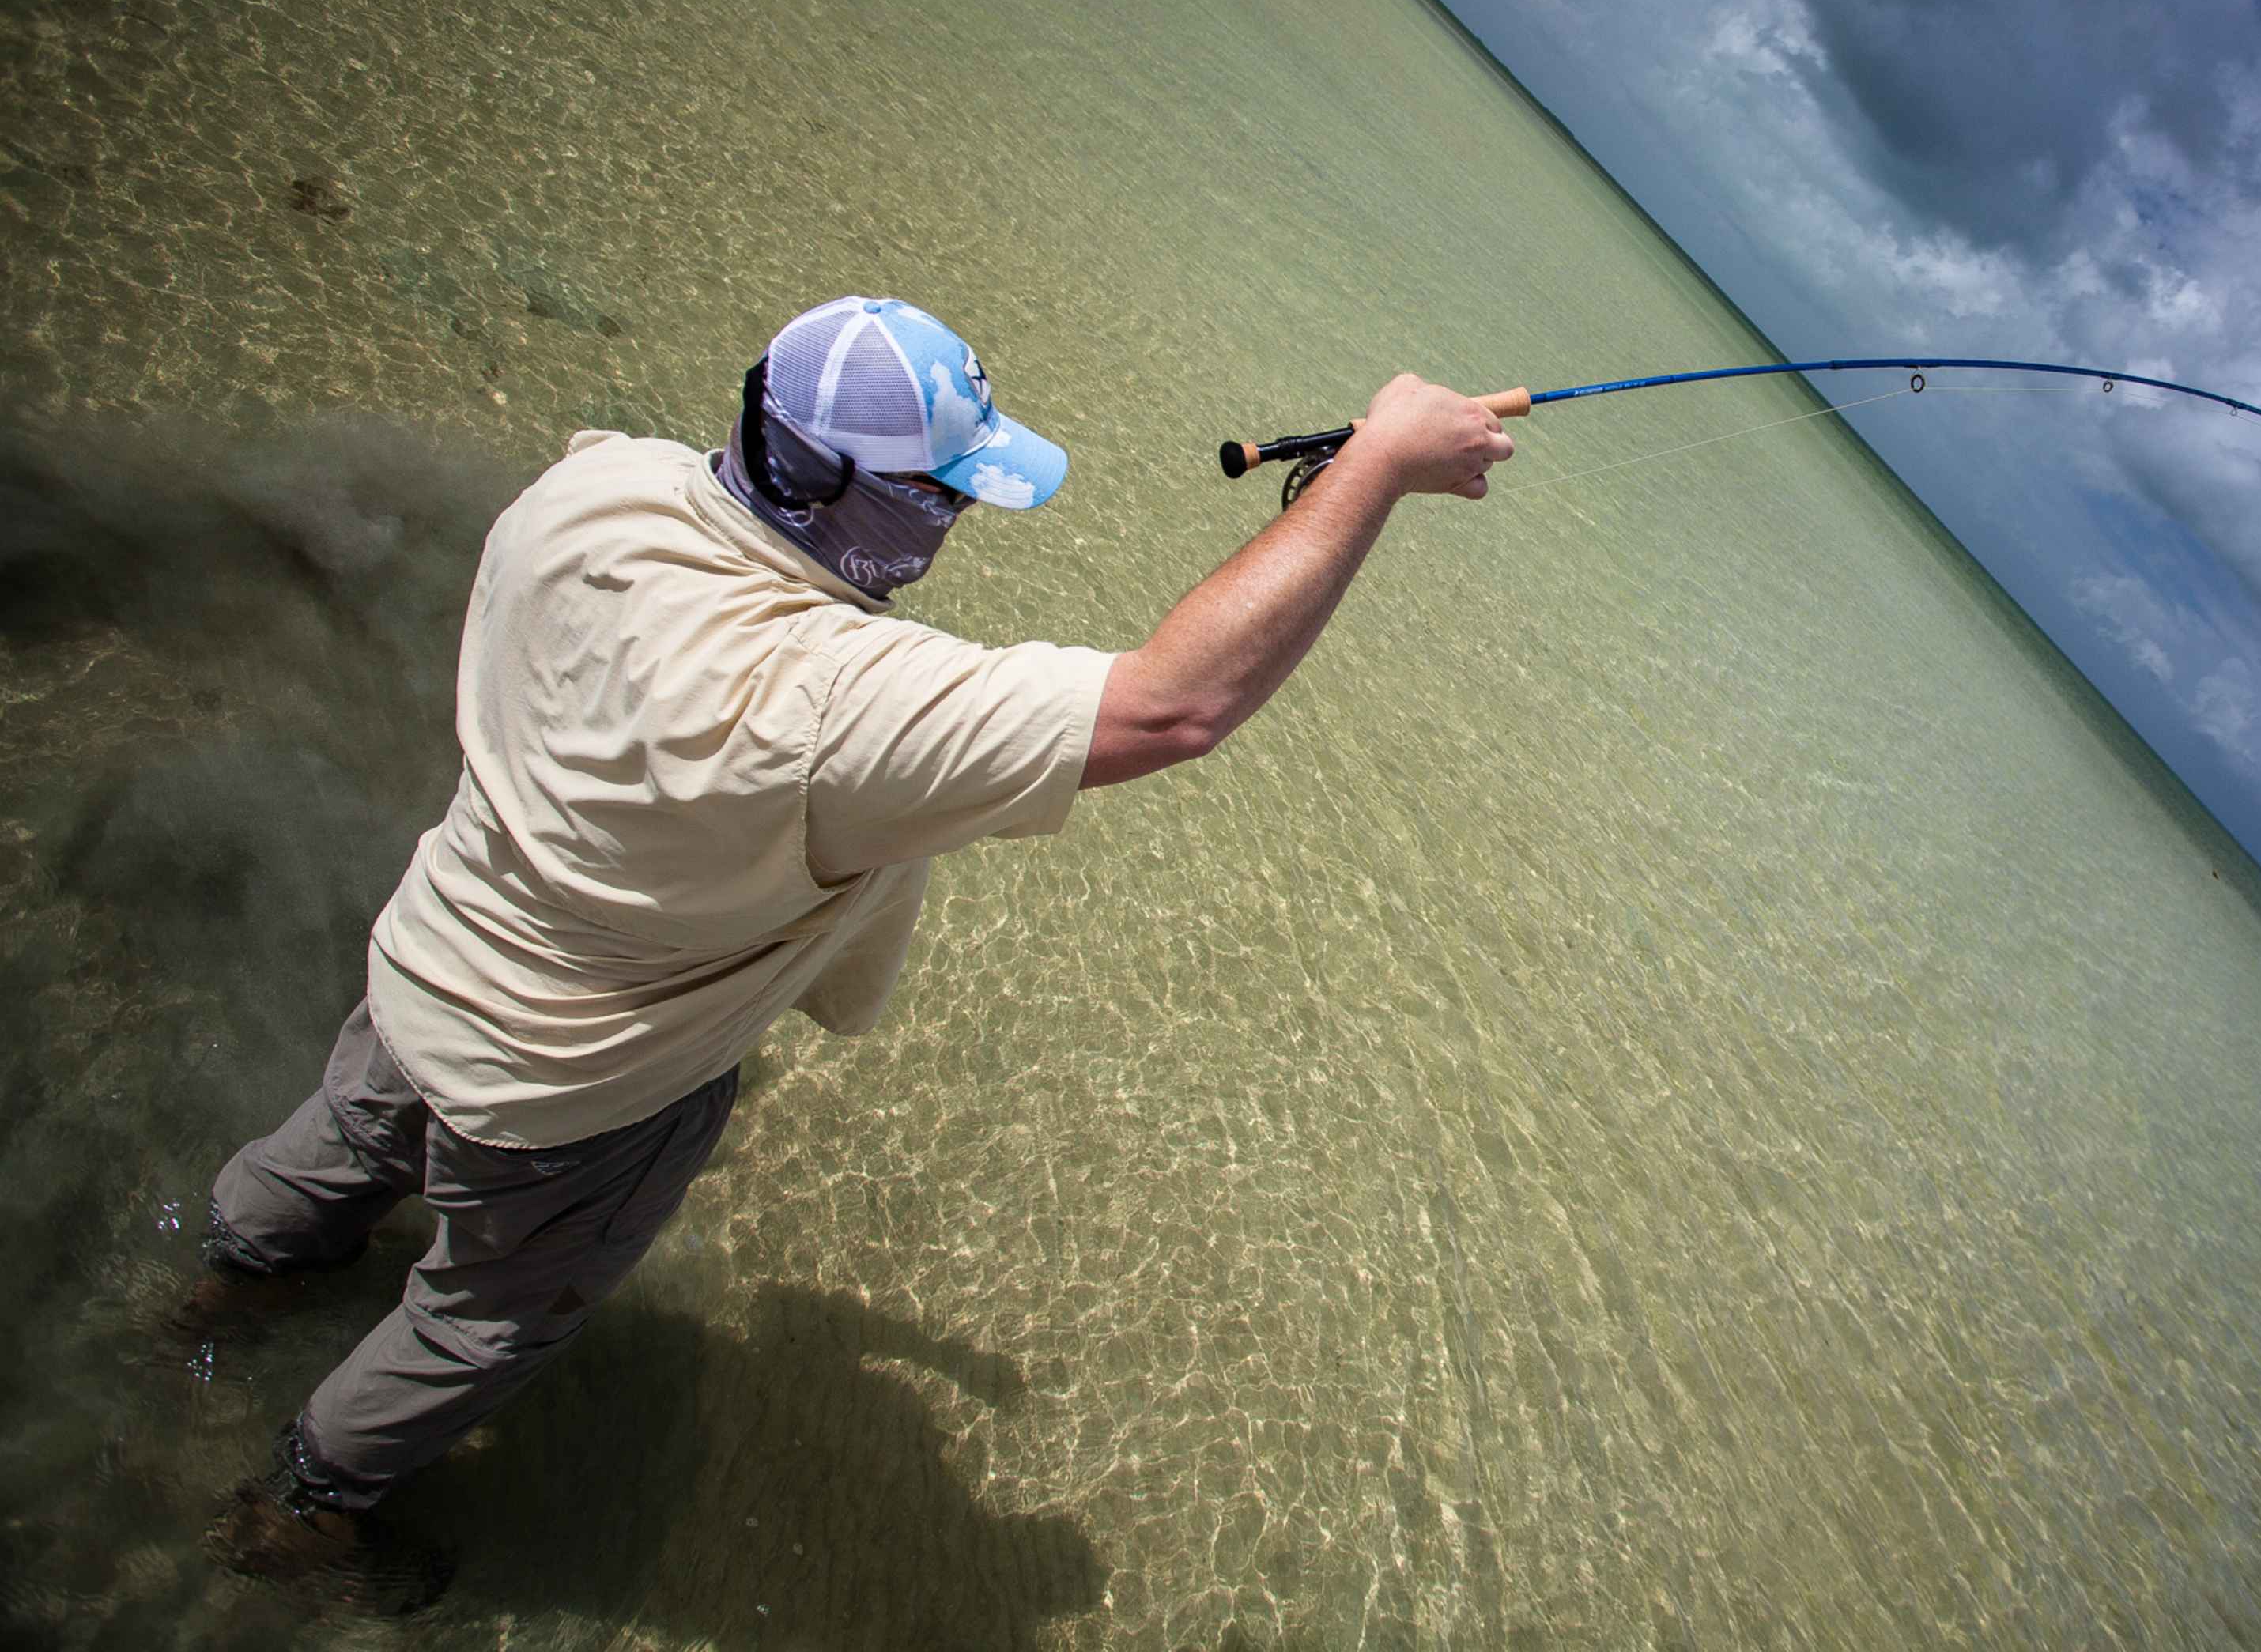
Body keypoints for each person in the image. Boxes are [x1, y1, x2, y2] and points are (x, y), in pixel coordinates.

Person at [190, 295, 1513, 1613]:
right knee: (479, 1319)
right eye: (939, 494)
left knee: (342, 1143)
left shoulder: (596, 487)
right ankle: (302, 1507)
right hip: (567, 1094)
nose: (957, 521)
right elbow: (1175, 706)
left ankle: (215, 1285)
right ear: (827, 482)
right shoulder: (829, 707)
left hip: (430, 954)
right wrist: (1379, 472)